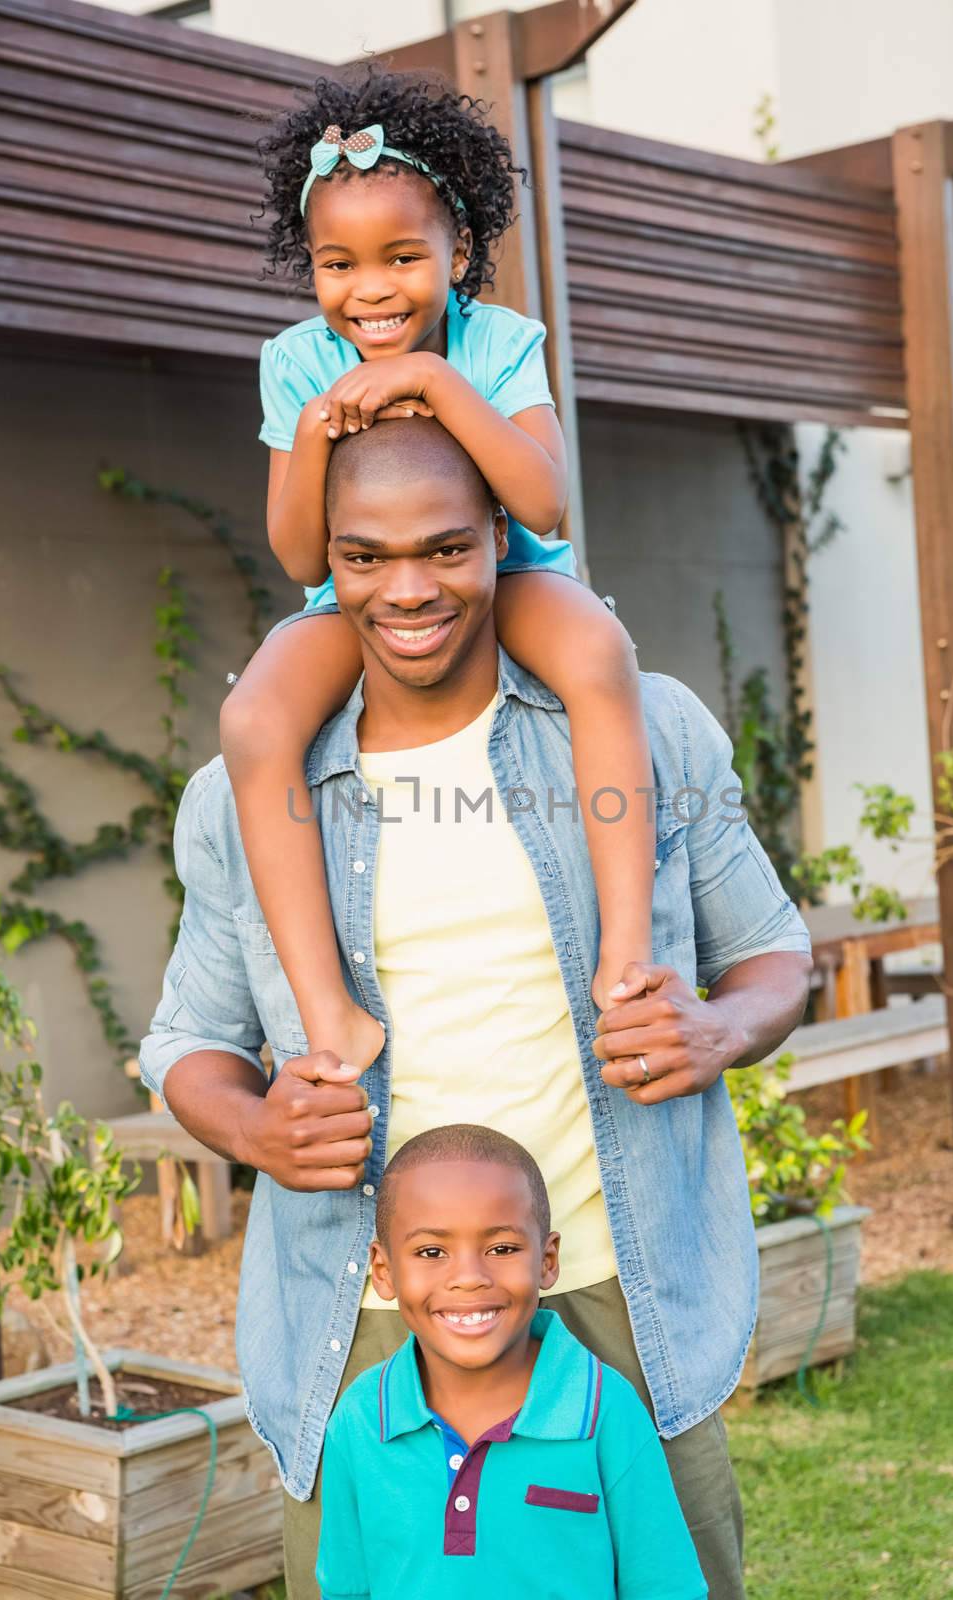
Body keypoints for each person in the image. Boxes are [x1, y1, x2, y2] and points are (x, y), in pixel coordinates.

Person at [139, 417, 813, 1600]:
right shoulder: (244, 791)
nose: (408, 591)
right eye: (364, 556)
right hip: (365, 1305)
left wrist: (713, 1030)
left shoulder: (641, 728)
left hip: (616, 1280)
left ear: (501, 535)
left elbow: (771, 957)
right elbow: (189, 1041)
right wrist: (253, 1130)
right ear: (326, 563)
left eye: (447, 548)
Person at [220, 65, 655, 1079]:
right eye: (337, 264)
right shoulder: (294, 363)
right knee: (252, 722)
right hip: (359, 598)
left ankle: (624, 949)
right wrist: (322, 430)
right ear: (310, 267)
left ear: (457, 251)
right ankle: (329, 1009)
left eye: (402, 257)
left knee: (597, 651)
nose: (369, 290)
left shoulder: (497, 341)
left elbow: (542, 501)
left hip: (510, 573)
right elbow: (296, 554)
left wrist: (431, 381)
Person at [316, 1124, 708, 1600]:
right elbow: (347, 1589)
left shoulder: (605, 1410)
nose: (469, 1277)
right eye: (431, 1251)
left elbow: (665, 1587)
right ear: (384, 1271)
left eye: (501, 1248)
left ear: (546, 1260)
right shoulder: (359, 1421)